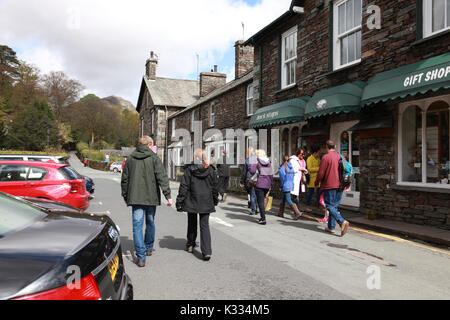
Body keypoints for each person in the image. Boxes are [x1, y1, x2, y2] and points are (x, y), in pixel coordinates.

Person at [121, 136, 173, 267]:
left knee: (137, 226)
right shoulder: (154, 158)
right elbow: (162, 177)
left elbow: (125, 179)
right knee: (150, 222)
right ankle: (148, 247)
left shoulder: (130, 159)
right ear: (149, 145)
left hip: (135, 197)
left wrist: (125, 196)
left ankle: (141, 257)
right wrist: (168, 195)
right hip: (151, 197)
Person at [176, 149, 218, 261]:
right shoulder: (211, 170)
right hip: (206, 200)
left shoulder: (189, 169)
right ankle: (207, 251)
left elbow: (184, 186)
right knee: (204, 225)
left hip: (192, 199)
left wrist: (179, 201)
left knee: (192, 223)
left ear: (196, 158)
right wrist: (215, 199)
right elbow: (215, 187)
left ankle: (190, 244)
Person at [315, 140, 350, 236]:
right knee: (334, 206)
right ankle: (331, 227)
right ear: (334, 146)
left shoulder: (326, 157)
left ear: (327, 147)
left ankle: (342, 221)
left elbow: (321, 173)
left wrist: (316, 183)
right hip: (341, 185)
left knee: (329, 206)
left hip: (329, 185)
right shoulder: (340, 157)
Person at [249, 149, 273, 225]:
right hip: (267, 184)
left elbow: (252, 171)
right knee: (262, 201)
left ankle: (263, 219)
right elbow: (271, 175)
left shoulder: (257, 161)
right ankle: (262, 217)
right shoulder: (268, 162)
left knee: (260, 202)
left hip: (259, 184)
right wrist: (270, 185)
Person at [289, 148, 308, 214]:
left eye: (303, 154)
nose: (303, 155)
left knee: (298, 195)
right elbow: (290, 170)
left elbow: (305, 168)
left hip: (301, 181)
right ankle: (296, 211)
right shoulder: (293, 160)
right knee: (295, 196)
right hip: (295, 180)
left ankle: (296, 209)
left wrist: (305, 171)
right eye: (301, 154)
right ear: (298, 153)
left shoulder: (303, 161)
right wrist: (299, 169)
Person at [240, 147, 258, 215]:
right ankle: (257, 208)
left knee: (252, 195)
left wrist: (242, 181)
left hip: (250, 180)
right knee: (257, 194)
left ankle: (253, 210)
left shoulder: (247, 160)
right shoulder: (258, 160)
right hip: (258, 179)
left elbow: (244, 172)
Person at [305, 144, 321, 212]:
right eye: (318, 152)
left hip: (318, 179)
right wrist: (319, 168)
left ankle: (318, 206)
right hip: (312, 179)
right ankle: (307, 206)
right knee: (310, 193)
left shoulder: (318, 159)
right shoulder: (309, 159)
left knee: (319, 193)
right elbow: (310, 169)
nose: (319, 154)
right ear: (315, 152)